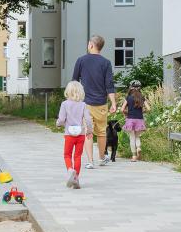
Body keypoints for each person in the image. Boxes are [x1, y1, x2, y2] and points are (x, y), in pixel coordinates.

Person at [71, 35, 116, 168]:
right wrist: (113, 103)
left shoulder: (81, 60)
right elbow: (109, 85)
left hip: (85, 103)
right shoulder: (106, 63)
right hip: (101, 103)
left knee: (88, 132)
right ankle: (102, 158)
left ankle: (90, 161)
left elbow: (74, 82)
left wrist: (73, 100)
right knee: (102, 132)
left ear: (91, 45)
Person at [56, 81, 93, 189]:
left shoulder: (65, 104)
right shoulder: (83, 105)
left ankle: (70, 170)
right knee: (77, 156)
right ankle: (76, 178)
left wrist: (58, 124)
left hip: (69, 134)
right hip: (80, 134)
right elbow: (88, 120)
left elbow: (61, 119)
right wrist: (89, 131)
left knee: (67, 155)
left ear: (68, 91)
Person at [120, 80, 150, 161]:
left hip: (130, 119)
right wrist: (142, 111)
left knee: (132, 138)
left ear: (131, 88)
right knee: (137, 136)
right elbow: (149, 109)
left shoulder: (128, 98)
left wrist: (126, 113)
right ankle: (138, 147)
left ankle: (134, 156)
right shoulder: (142, 98)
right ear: (139, 88)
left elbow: (122, 109)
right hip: (139, 120)